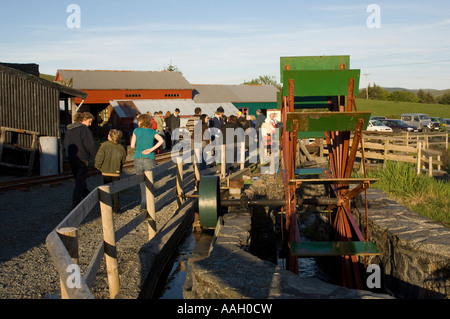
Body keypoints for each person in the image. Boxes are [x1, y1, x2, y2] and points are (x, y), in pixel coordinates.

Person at [130, 114, 164, 211]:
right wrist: (150, 149)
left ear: (140, 122)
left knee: (142, 183)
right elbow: (161, 140)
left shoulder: (136, 131)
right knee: (149, 183)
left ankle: (143, 205)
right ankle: (150, 206)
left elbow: (132, 146)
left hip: (138, 158)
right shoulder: (152, 132)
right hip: (149, 158)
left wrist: (139, 148)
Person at [63, 112, 98, 208]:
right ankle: (76, 200)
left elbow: (66, 143)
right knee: (80, 180)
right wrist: (96, 156)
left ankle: (88, 197)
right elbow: (90, 145)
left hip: (72, 157)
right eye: (89, 121)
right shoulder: (84, 130)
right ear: (83, 120)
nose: (90, 124)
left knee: (79, 179)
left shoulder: (69, 129)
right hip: (82, 157)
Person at [95, 129, 127, 213]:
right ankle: (117, 208)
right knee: (115, 191)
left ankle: (107, 208)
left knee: (106, 190)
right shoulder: (121, 147)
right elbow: (123, 160)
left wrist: (98, 167)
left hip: (105, 171)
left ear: (109, 136)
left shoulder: (104, 145)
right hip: (116, 172)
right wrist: (119, 168)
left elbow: (99, 157)